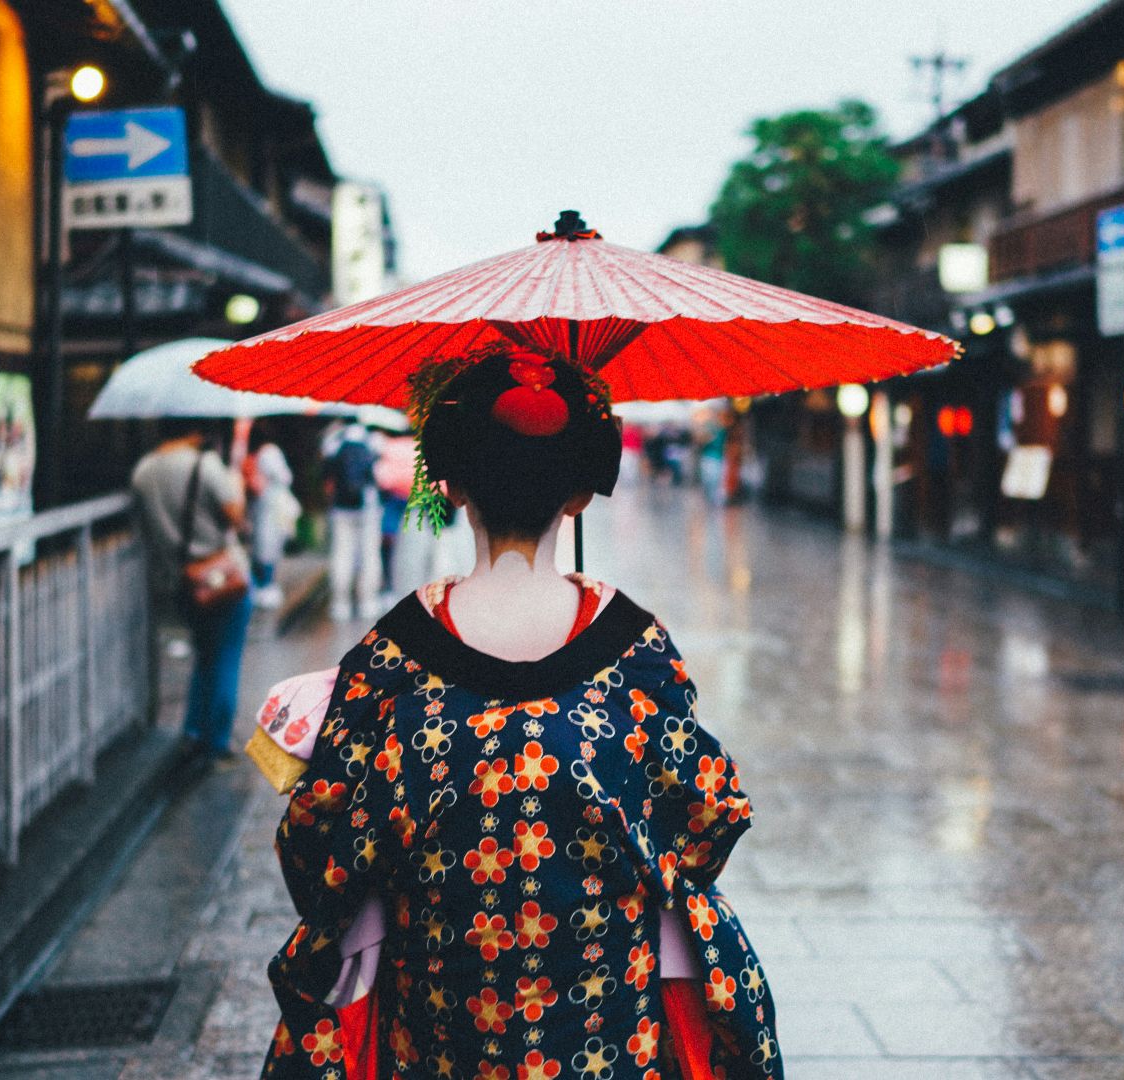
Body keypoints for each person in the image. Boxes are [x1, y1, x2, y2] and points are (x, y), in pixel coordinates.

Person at [262, 345, 782, 1079]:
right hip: (607, 1020)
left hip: (442, 1020)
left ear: (450, 484)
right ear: (579, 495)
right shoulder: (636, 653)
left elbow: (317, 842)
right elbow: (707, 818)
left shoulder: (392, 657)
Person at [130, 420, 253, 759]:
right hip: (220, 578)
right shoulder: (206, 465)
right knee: (225, 658)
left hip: (180, 580)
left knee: (204, 655)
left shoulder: (143, 471)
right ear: (196, 430)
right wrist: (236, 484)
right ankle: (217, 743)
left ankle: (194, 730)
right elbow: (237, 519)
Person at [323, 422, 383, 621]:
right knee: (369, 554)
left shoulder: (333, 441)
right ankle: (367, 601)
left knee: (341, 553)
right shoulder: (373, 441)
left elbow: (328, 479)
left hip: (341, 508)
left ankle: (341, 604)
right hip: (368, 506)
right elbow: (378, 476)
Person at [248, 433, 298, 610]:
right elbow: (285, 477)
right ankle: (266, 585)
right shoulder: (270, 452)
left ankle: (262, 585)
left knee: (262, 544)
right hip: (271, 507)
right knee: (268, 545)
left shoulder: (254, 455)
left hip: (262, 506)